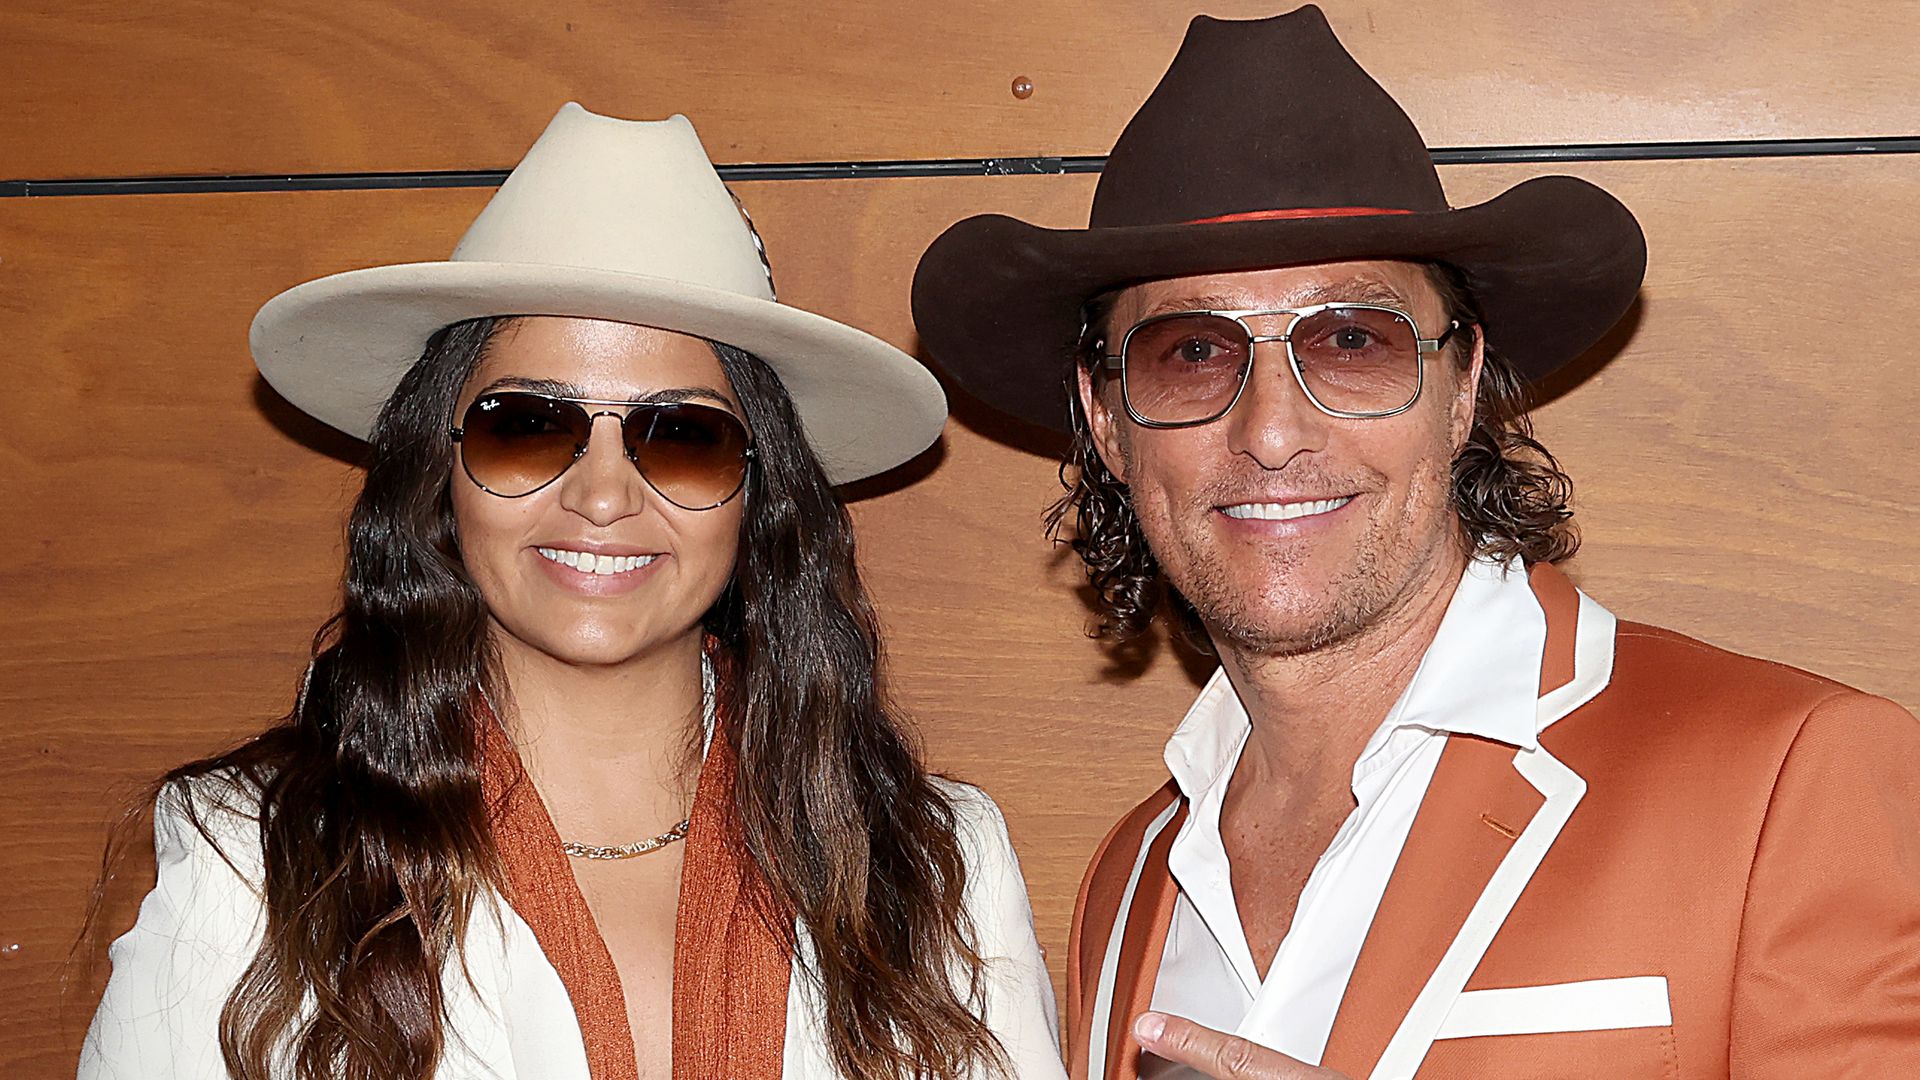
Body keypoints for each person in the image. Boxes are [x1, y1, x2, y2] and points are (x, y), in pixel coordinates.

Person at [912, 8, 1920, 1079]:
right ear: (1108, 419)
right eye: (1191, 352)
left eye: (1353, 341)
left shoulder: (1789, 781)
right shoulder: (1133, 877)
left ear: (1462, 384)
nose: (1271, 431)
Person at [80, 103, 1065, 1080]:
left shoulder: (936, 870)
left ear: (758, 492)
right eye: (527, 427)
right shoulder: (256, 862)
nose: (601, 494)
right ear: (441, 470)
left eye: (682, 436)